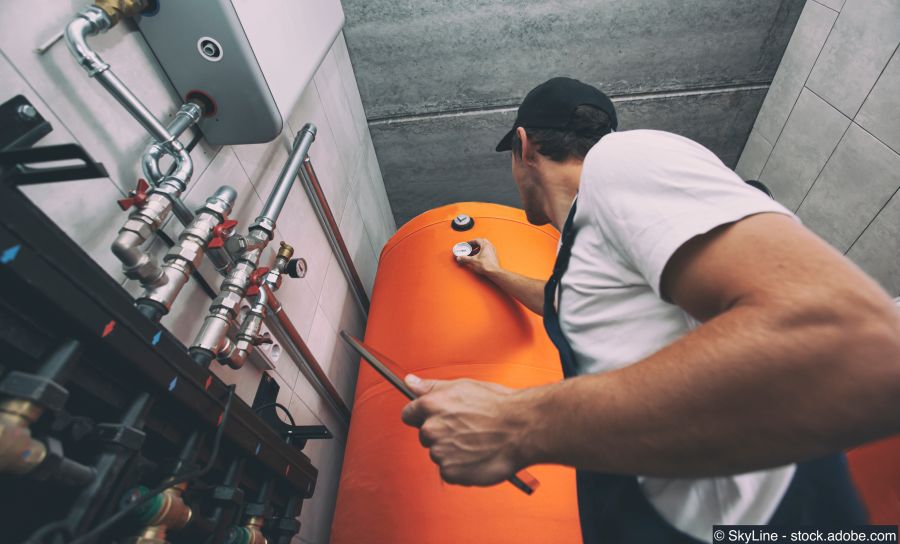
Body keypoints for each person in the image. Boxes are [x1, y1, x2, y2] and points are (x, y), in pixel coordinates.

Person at [399, 77, 900, 543]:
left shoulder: (623, 160)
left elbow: (849, 345)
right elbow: (560, 302)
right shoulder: (582, 239)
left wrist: (515, 424)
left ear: (523, 146)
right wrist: (494, 272)